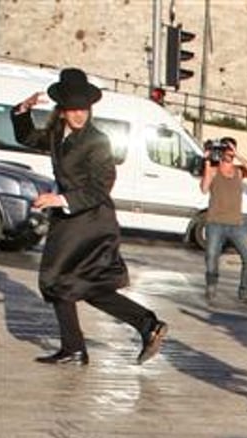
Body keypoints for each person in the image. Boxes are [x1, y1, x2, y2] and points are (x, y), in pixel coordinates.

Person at [12, 68, 168, 367]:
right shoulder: (58, 134)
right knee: (88, 287)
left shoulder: (96, 141)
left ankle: (74, 348)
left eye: (84, 109)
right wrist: (23, 110)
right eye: (73, 109)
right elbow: (29, 137)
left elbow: (101, 187)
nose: (79, 115)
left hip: (90, 222)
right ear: (62, 110)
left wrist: (59, 199)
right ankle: (147, 325)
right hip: (74, 222)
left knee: (58, 281)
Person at [199, 136, 247, 303]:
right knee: (211, 256)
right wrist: (207, 162)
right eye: (226, 149)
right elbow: (204, 188)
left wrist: (238, 155)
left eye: (231, 149)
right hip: (215, 222)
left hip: (236, 224)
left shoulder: (239, 171)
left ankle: (245, 292)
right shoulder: (214, 169)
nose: (228, 153)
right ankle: (211, 289)